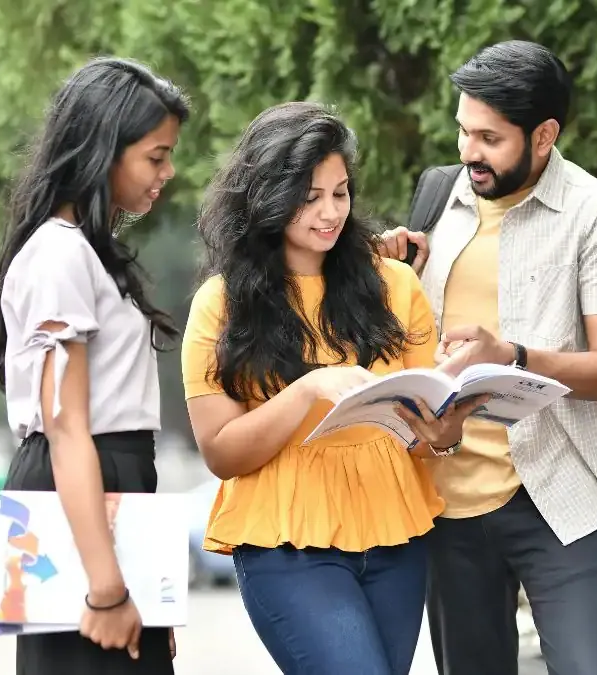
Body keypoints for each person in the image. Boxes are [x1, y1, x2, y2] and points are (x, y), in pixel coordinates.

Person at [180, 101, 482, 675]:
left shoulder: (394, 284)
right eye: (309, 196)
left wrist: (445, 431)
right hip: (286, 545)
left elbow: (422, 433)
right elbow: (220, 451)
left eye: (340, 193)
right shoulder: (221, 303)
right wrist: (308, 389)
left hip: (396, 538)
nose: (330, 212)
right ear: (267, 195)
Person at [378, 40, 597, 675]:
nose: (470, 150)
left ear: (545, 134)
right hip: (445, 496)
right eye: (464, 130)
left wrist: (515, 356)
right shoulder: (438, 199)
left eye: (490, 138)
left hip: (556, 490)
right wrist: (392, 279)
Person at [0, 56, 189, 674]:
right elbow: (67, 427)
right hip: (83, 490)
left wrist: (141, 586)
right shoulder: (59, 255)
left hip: (111, 489)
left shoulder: (87, 255)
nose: (168, 172)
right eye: (156, 156)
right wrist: (107, 589)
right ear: (104, 149)